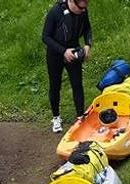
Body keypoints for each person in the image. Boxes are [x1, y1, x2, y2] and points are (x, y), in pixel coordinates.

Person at [42, 0, 92, 133]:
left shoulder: (82, 10)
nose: (83, 11)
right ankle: (56, 117)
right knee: (55, 85)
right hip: (55, 54)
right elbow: (45, 37)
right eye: (80, 8)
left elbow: (87, 28)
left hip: (74, 51)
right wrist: (63, 51)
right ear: (71, 2)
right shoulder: (55, 12)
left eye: (85, 8)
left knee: (77, 84)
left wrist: (87, 44)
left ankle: (80, 116)